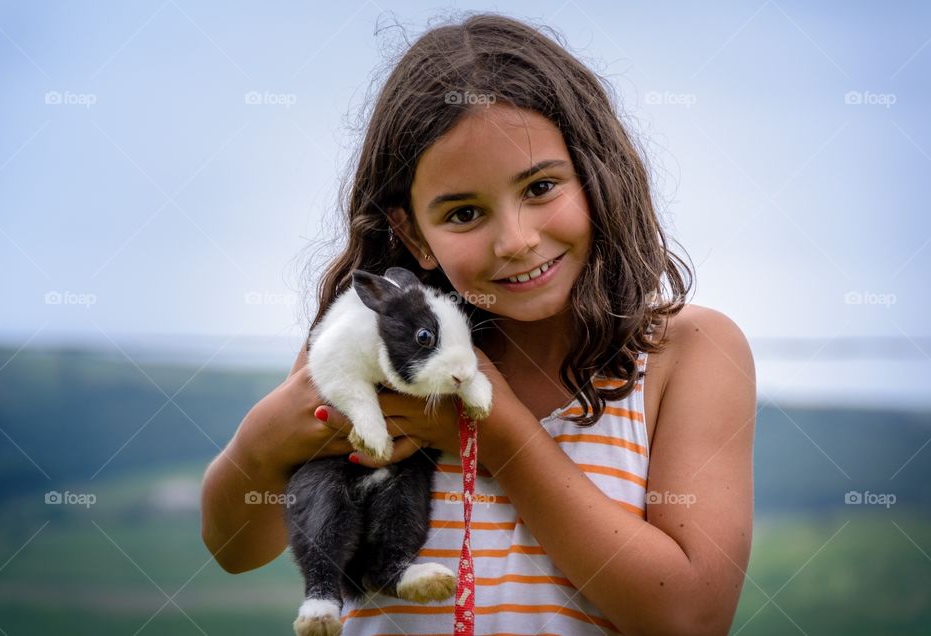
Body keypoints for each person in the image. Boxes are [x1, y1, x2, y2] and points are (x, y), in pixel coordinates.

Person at [201, 12, 755, 635]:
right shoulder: (378, 345)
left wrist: (496, 437)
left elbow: (691, 618)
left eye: (541, 186)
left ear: (596, 173)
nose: (516, 241)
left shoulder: (685, 352)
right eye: (465, 213)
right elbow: (236, 550)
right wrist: (263, 439)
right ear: (414, 233)